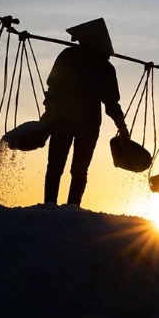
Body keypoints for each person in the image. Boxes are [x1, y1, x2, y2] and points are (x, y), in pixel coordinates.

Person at [42, 18, 129, 206]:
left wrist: (122, 126)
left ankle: (73, 207)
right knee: (55, 166)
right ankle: (49, 205)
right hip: (62, 120)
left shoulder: (105, 69)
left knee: (79, 170)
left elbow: (111, 102)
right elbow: (54, 87)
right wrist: (51, 107)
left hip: (87, 126)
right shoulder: (68, 56)